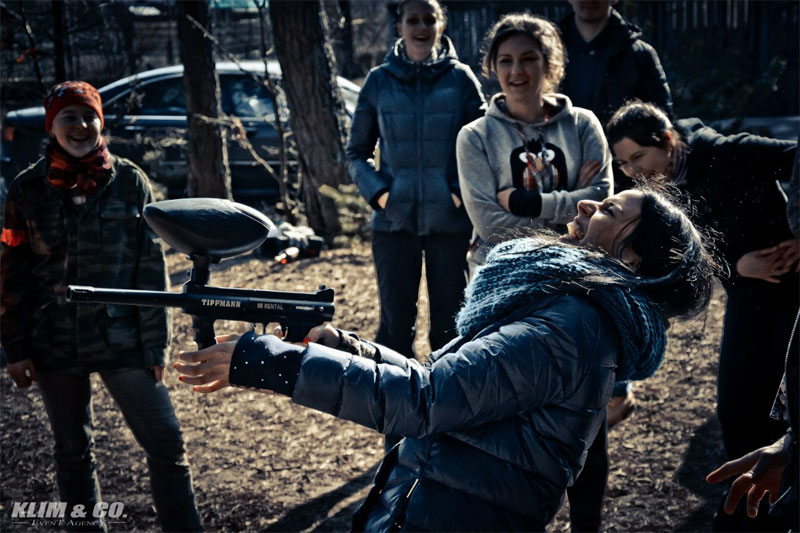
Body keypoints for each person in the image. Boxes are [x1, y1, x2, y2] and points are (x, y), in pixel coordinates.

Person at [174, 187, 717, 531]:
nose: (585, 206)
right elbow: (446, 385)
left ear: (633, 258)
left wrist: (270, 363)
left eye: (609, 210)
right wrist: (342, 346)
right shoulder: (571, 311)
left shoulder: (571, 326)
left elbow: (425, 402)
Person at [0, 81, 202, 532]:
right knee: (73, 453)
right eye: (68, 117)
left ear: (101, 121)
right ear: (51, 126)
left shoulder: (129, 182)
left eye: (89, 115)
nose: (81, 125)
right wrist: (15, 348)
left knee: (167, 444)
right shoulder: (26, 189)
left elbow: (150, 268)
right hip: (53, 341)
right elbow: (12, 271)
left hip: (122, 338)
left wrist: (156, 346)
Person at [607, 100, 799, 531]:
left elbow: (796, 161)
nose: (633, 171)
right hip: (747, 302)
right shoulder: (656, 195)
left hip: (794, 297)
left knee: (785, 412)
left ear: (668, 140)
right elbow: (690, 256)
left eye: (639, 156)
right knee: (735, 408)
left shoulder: (731, 152)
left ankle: (784, 508)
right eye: (623, 163)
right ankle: (745, 512)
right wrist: (737, 266)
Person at [346, 0, 485, 366]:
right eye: (413, 20)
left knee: (450, 327)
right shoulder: (378, 81)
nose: (421, 27)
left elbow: (482, 146)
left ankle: (447, 396)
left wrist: (457, 193)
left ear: (441, 25)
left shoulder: (461, 79)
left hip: (450, 223)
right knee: (394, 329)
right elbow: (356, 152)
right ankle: (396, 398)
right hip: (393, 224)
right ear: (399, 26)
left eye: (429, 19)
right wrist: (381, 195)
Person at [559, 0, 675, 427]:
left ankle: (617, 387)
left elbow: (661, 117)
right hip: (567, 181)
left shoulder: (637, 52)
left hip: (624, 190)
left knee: (620, 284)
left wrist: (627, 166)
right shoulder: (554, 46)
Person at [456, 12, 612, 273]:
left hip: (575, 266)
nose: (516, 71)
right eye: (505, 61)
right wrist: (570, 215)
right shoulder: (475, 137)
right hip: (501, 270)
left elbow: (600, 201)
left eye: (528, 59)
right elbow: (491, 226)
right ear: (493, 66)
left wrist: (524, 203)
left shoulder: (582, 124)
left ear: (548, 63)